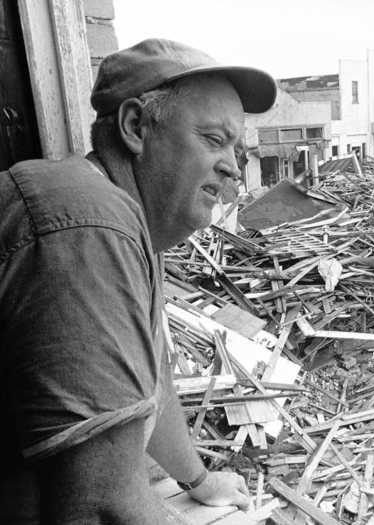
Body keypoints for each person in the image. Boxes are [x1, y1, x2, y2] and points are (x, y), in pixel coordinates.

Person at [0, 39, 276, 523]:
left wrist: (200, 481)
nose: (234, 165)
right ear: (135, 128)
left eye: (238, 148)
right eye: (214, 139)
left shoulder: (128, 226)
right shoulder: (89, 226)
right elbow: (103, 504)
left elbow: (150, 386)